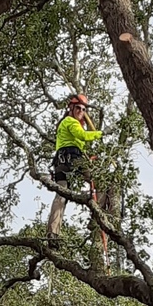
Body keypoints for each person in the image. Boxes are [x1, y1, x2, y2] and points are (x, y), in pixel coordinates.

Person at [46, 94, 102, 249]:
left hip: (62, 160)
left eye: (83, 109)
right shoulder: (69, 121)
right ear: (71, 108)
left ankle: (53, 233)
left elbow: (81, 141)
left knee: (62, 195)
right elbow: (82, 136)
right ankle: (98, 215)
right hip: (71, 158)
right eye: (78, 108)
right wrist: (100, 133)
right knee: (100, 182)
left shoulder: (68, 124)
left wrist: (91, 156)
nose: (81, 111)